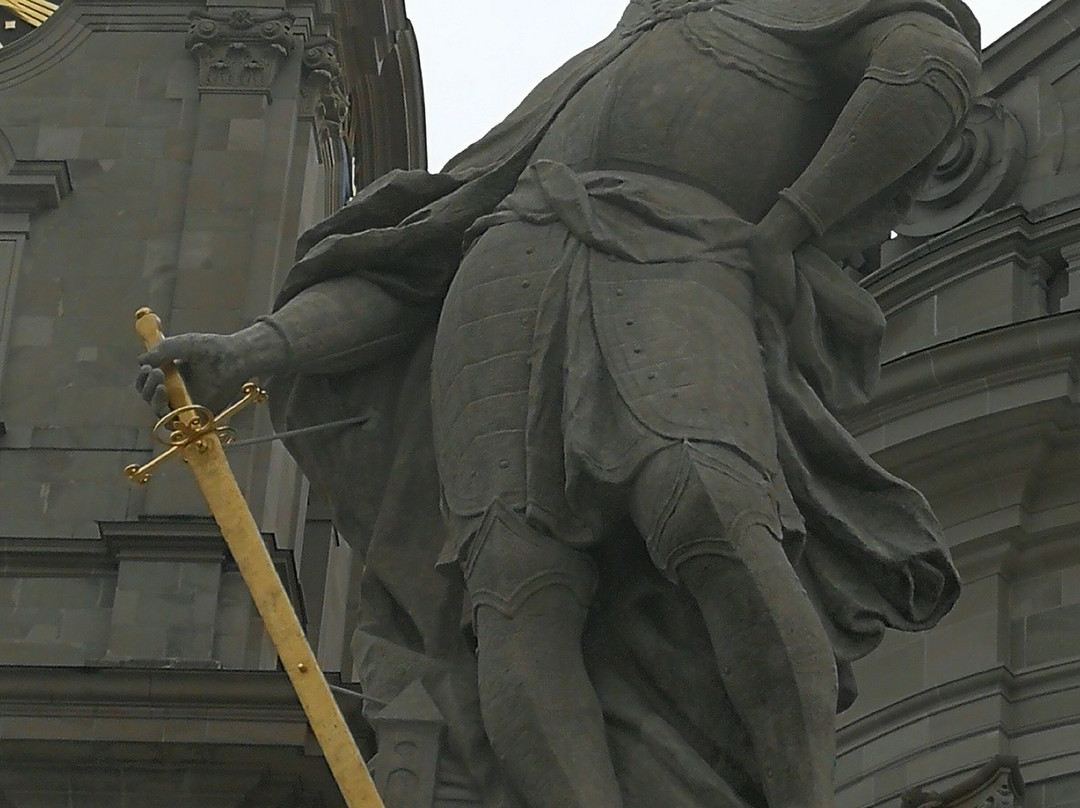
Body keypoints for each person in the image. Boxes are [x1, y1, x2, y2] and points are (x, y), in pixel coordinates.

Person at [137, 2, 980, 806]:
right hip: (504, 275)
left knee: (712, 509)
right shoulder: (590, 73)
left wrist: (792, 224)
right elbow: (408, 266)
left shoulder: (814, 10)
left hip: (680, 262)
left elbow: (929, 69)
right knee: (509, 587)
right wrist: (254, 350)